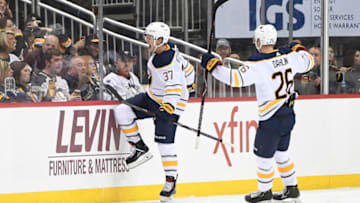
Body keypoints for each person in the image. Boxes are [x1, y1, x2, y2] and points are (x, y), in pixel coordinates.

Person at [201, 24, 314, 203]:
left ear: (259, 41)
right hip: (288, 114)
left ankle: (264, 192)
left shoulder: (257, 63)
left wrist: (213, 67)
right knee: (281, 153)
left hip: (271, 118)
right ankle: (292, 188)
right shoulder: (289, 56)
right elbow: (309, 60)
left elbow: (234, 79)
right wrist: (297, 47)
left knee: (263, 156)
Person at [113, 22, 189, 202]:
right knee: (123, 111)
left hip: (170, 104)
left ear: (160, 39)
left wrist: (168, 108)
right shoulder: (168, 51)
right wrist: (192, 85)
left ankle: (170, 181)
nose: (146, 39)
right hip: (153, 96)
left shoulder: (166, 60)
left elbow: (174, 87)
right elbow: (188, 69)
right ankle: (139, 146)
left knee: (165, 144)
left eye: (149, 37)